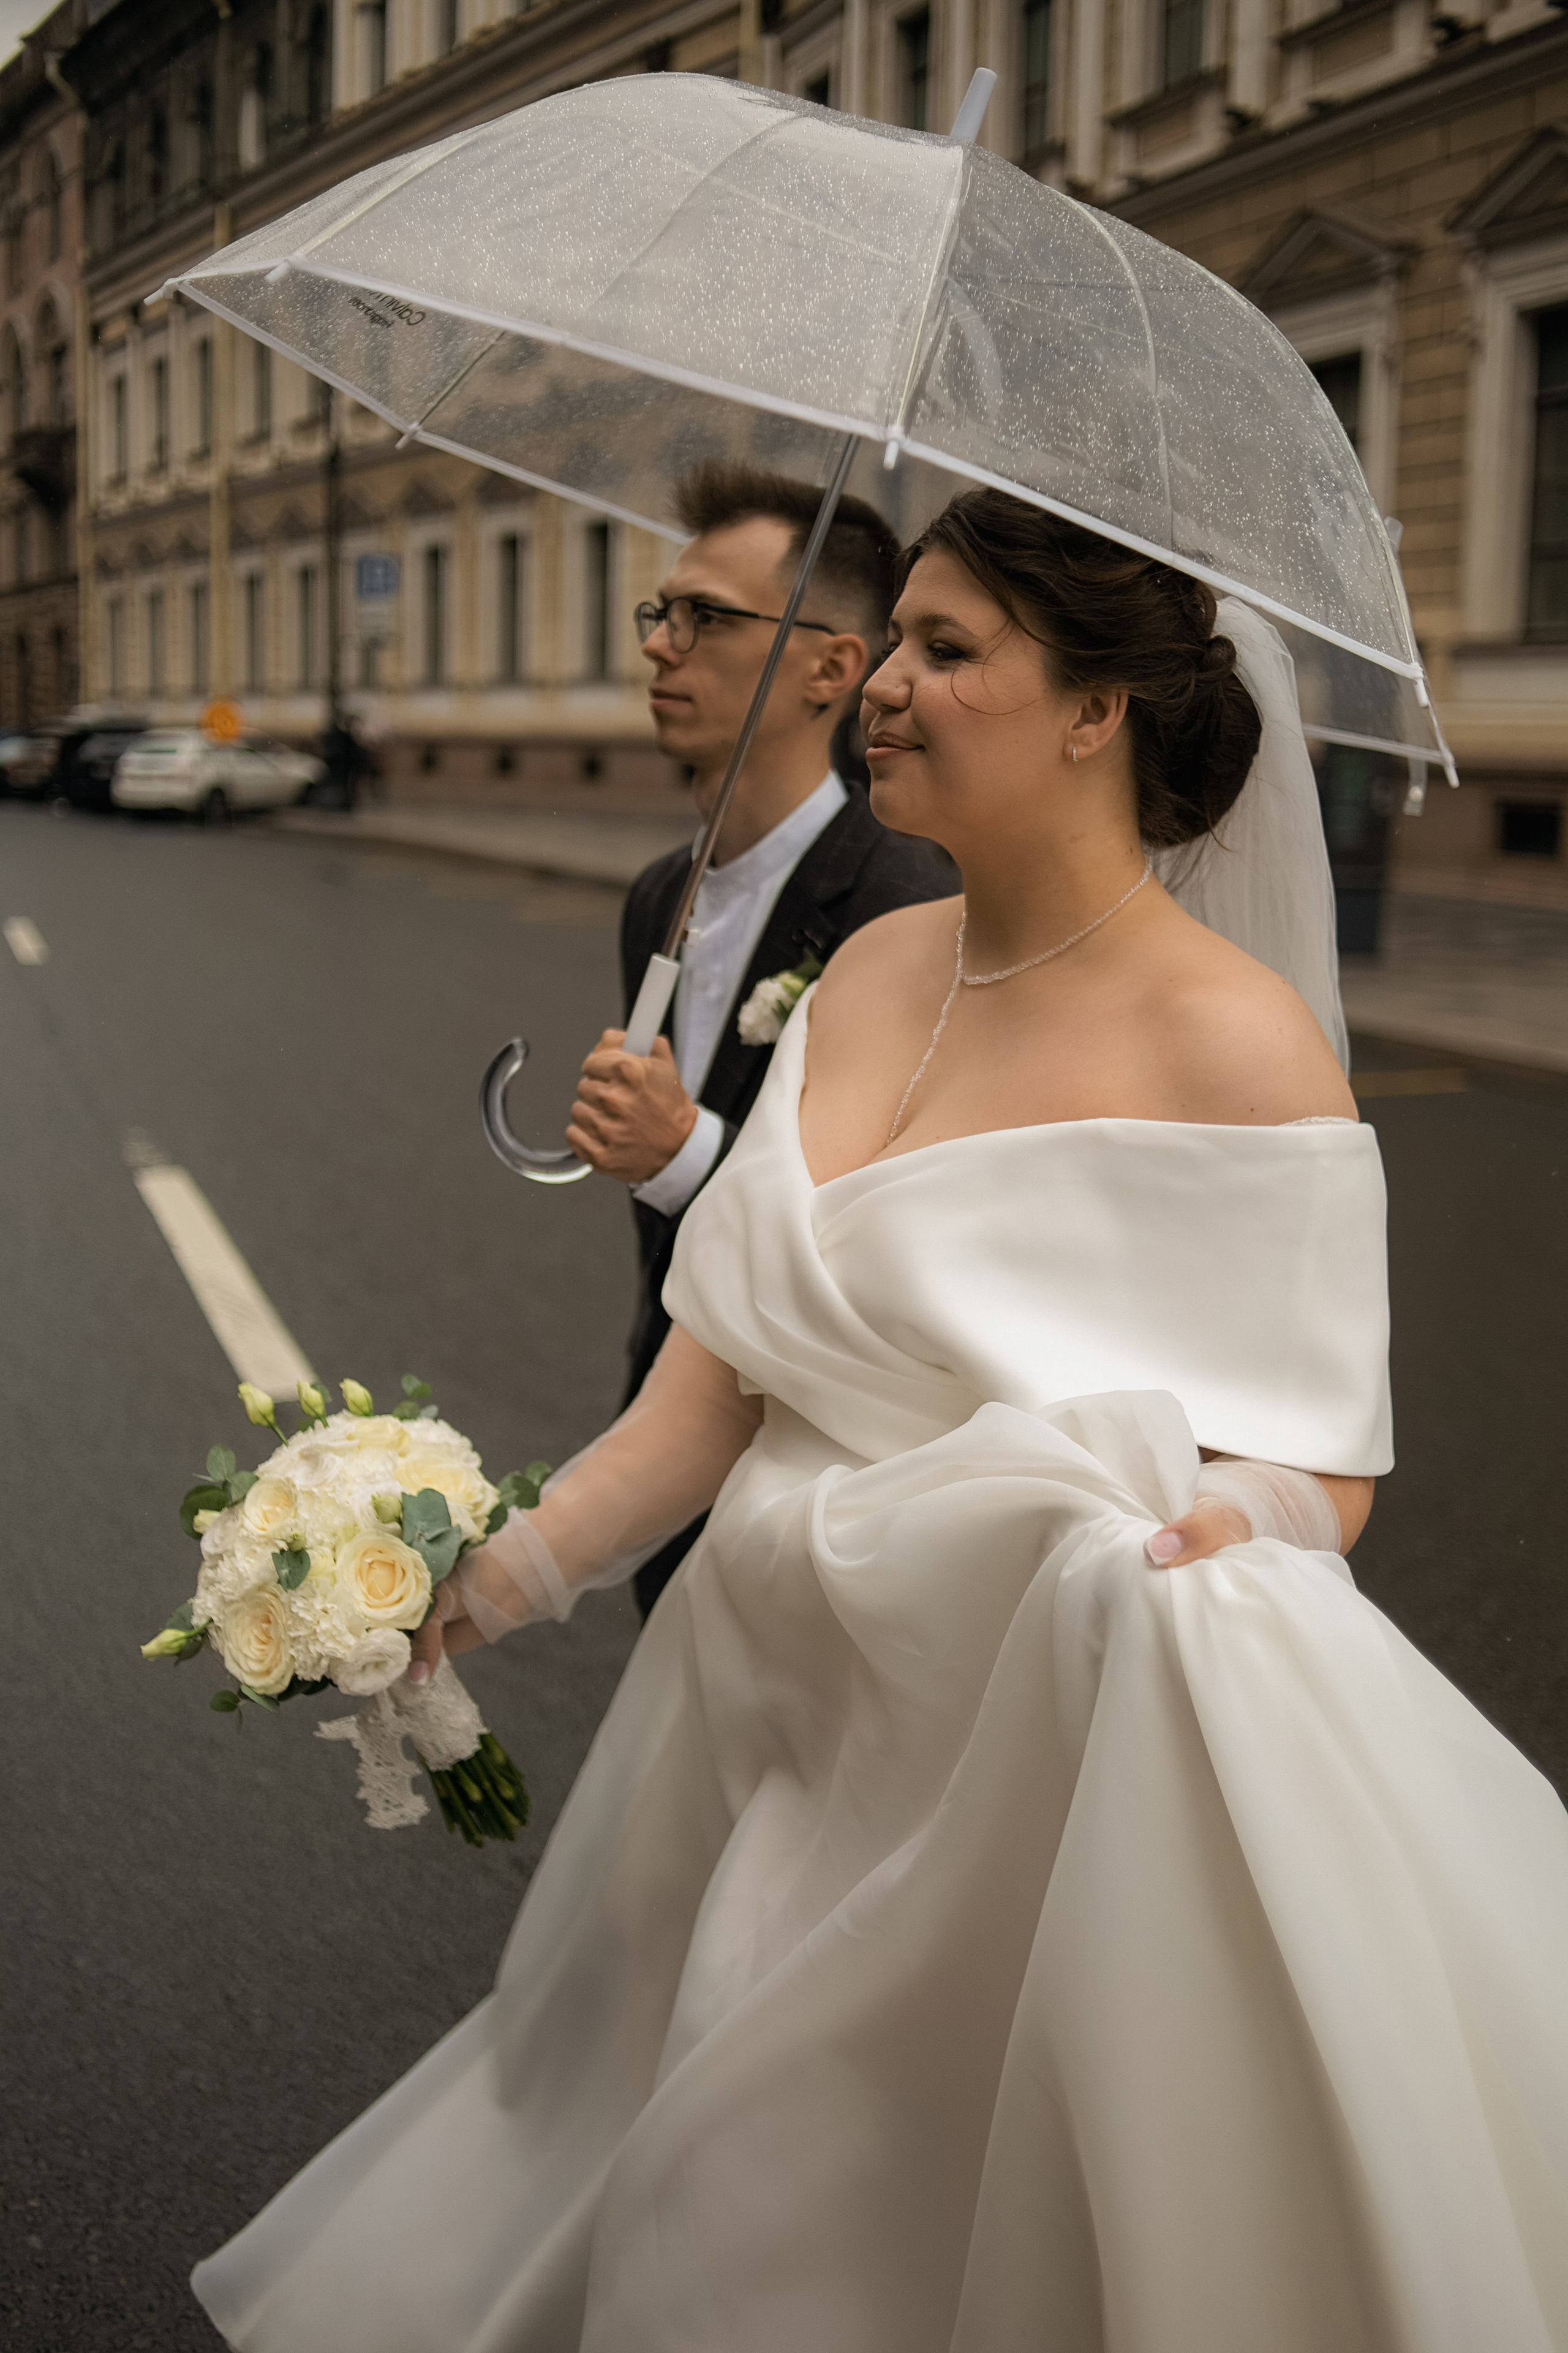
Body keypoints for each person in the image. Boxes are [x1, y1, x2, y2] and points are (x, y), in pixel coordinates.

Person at [194, 490, 1568, 2353]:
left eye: (948, 650)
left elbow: (1323, 1457)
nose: (887, 689)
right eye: (894, 641)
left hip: (1000, 1771)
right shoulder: (858, 978)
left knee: (847, 2221)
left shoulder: (1235, 1042)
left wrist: (1232, 1537)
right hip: (760, 1721)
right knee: (695, 2196)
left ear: (1097, 711)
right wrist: (484, 1581)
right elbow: (716, 1387)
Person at [565, 461, 949, 1619]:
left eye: (707, 618)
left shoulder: (907, 904)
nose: (661, 647)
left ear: (834, 667)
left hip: (828, 1479)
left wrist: (682, 1149)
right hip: (668, 1430)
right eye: (660, 613)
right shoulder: (654, 896)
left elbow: (895, 1245)